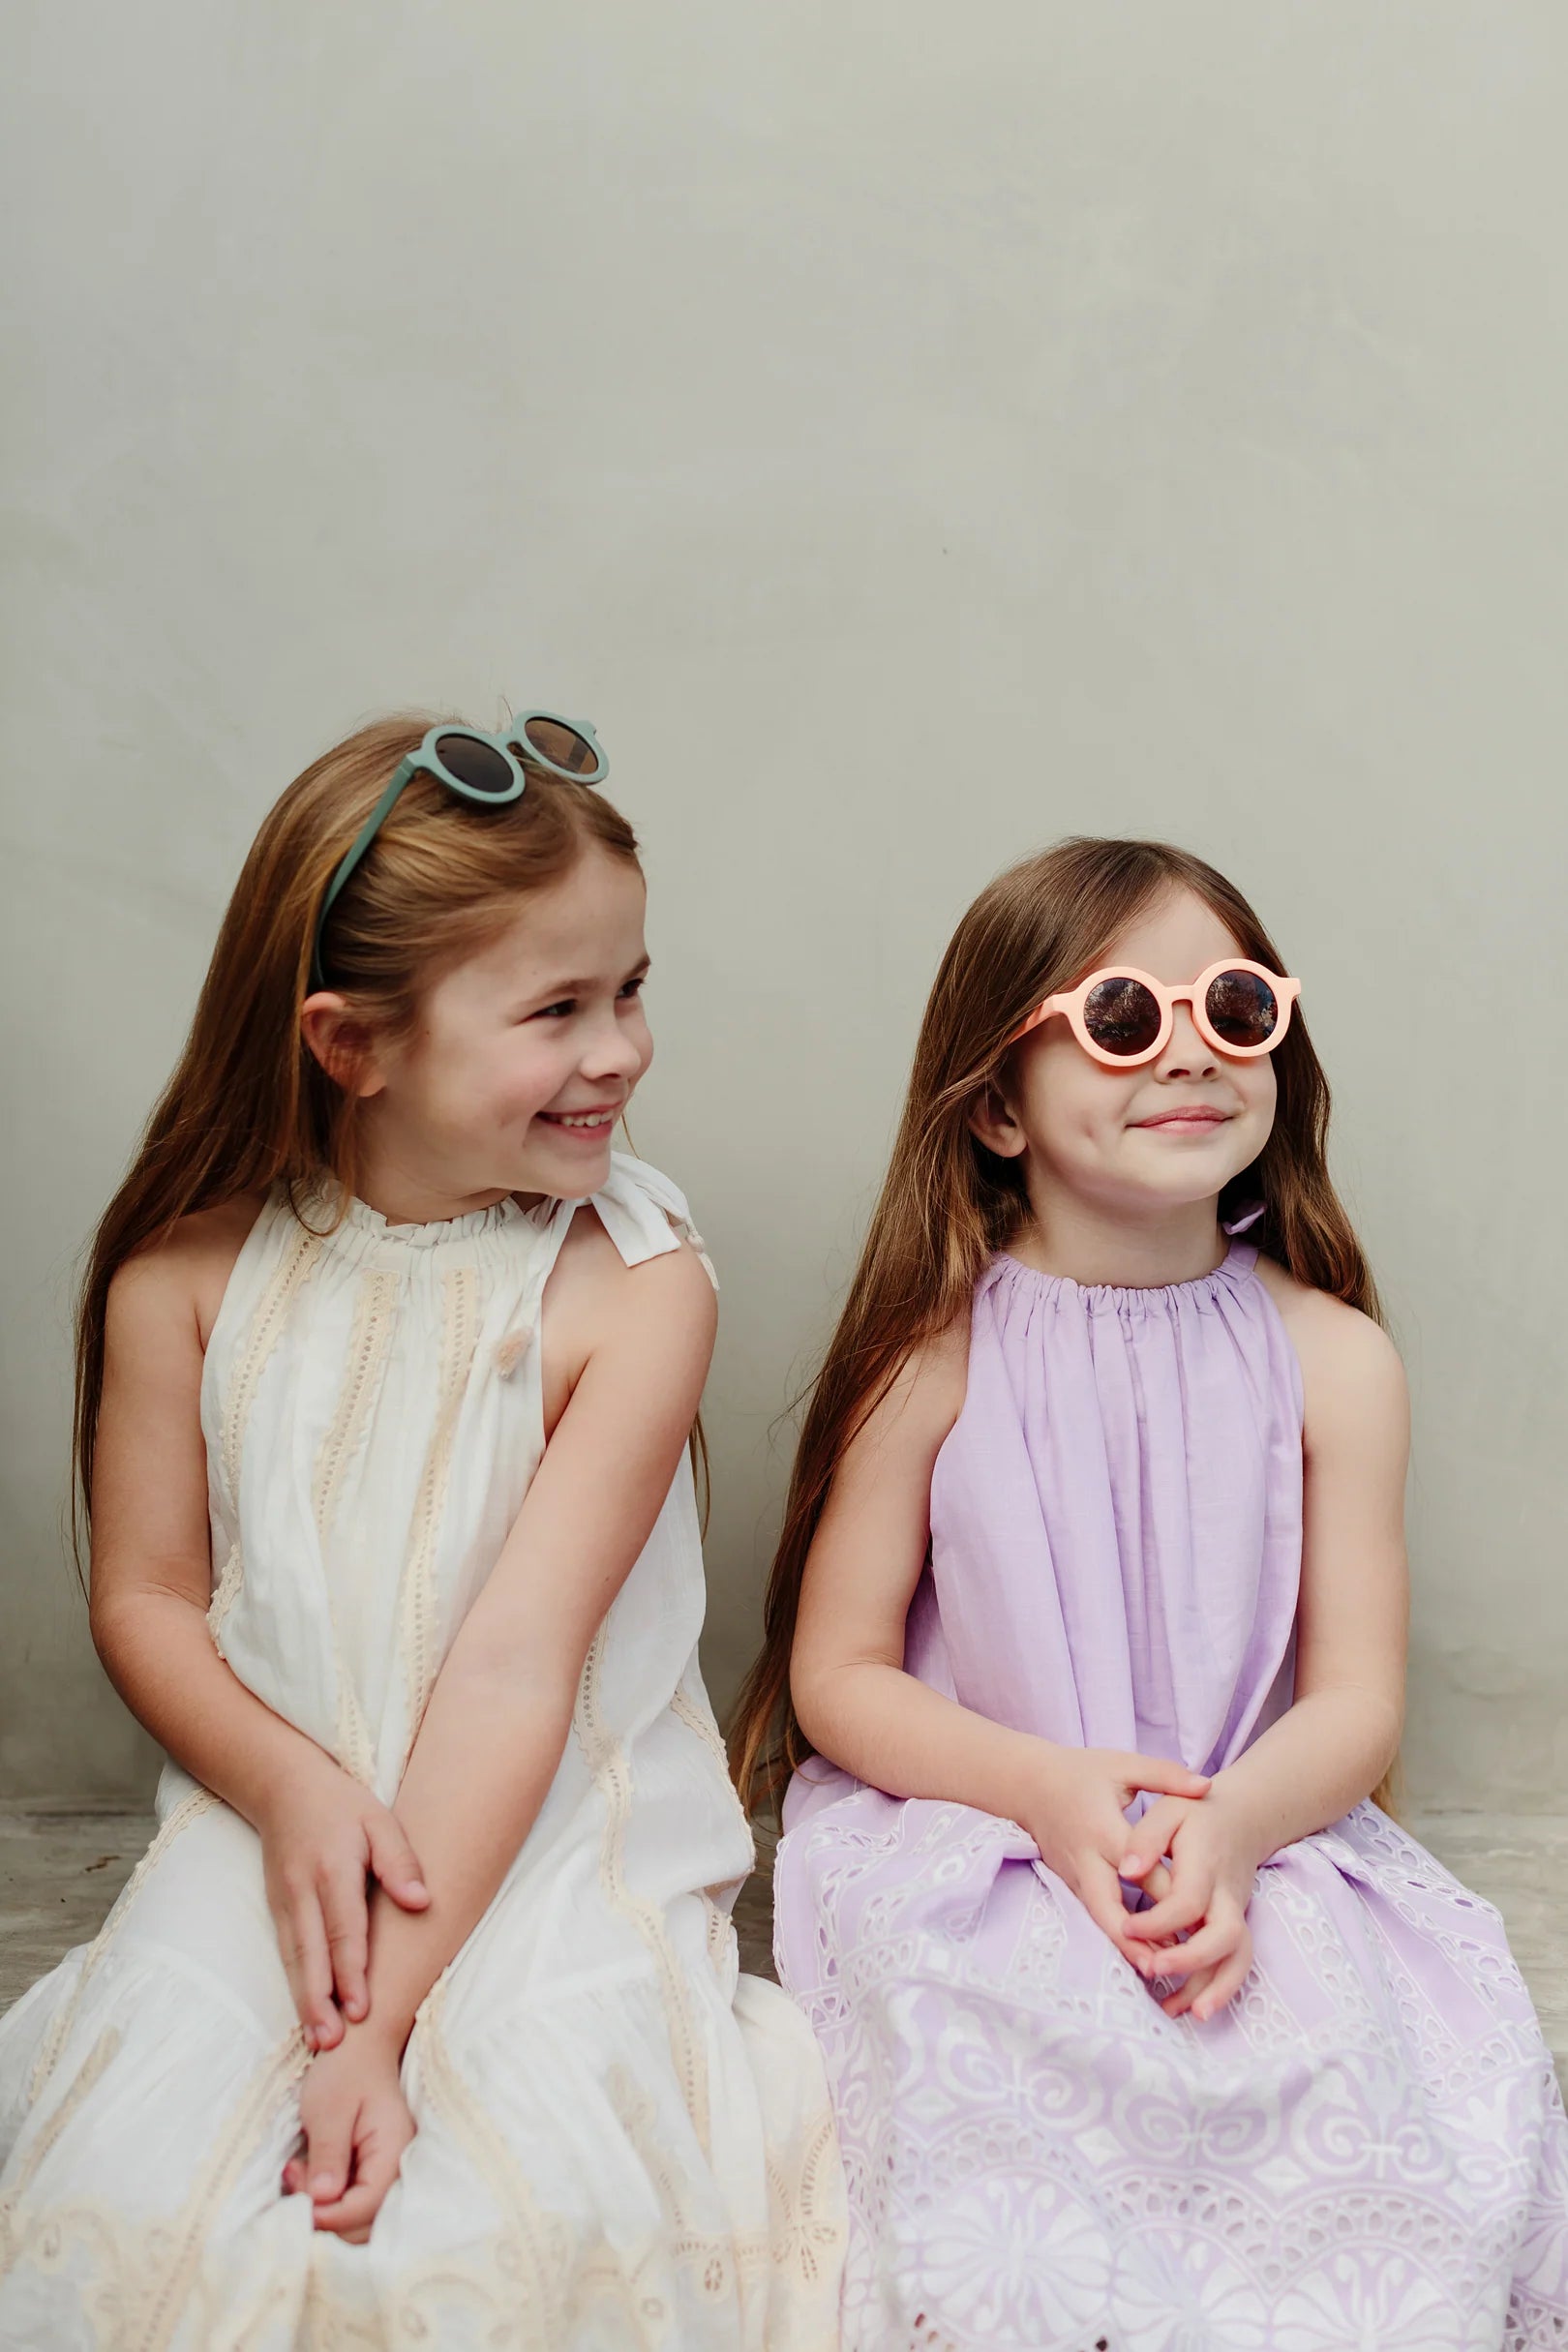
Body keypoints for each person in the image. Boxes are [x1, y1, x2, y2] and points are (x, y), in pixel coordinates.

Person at [0, 710, 844, 2349]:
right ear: (349, 1041)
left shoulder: (636, 1290)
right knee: (149, 2196)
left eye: (632, 988)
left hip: (547, 1834)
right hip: (268, 1814)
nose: (621, 1050)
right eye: (558, 1009)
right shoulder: (183, 1274)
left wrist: (375, 2027)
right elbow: (149, 1599)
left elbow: (520, 1670)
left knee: (502, 2219)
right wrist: (288, 1781)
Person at [733, 835, 1568, 2350]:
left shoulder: (1333, 1356)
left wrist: (1235, 1830)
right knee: (1005, 2095)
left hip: (1258, 1824)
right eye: (1123, 1017)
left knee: (1356, 2095)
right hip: (982, 1823)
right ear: (997, 1103)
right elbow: (839, 1675)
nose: (1190, 1048)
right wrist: (1042, 1790)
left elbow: (1358, 1697)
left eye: (1235, 1008)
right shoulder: (934, 1356)